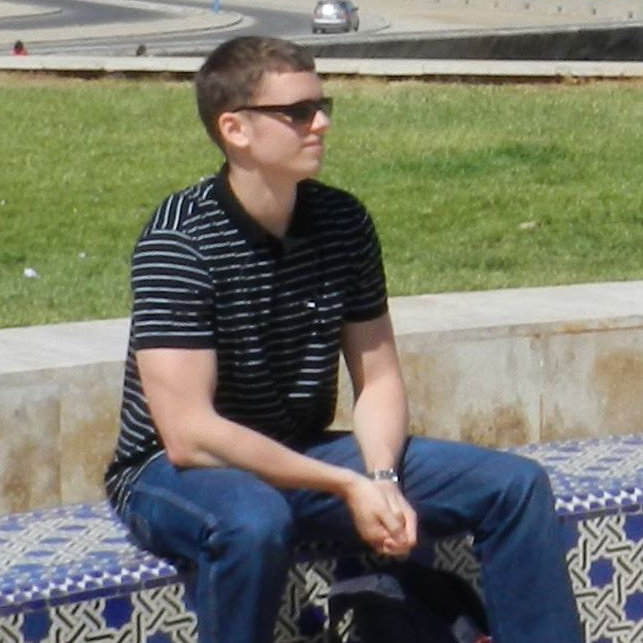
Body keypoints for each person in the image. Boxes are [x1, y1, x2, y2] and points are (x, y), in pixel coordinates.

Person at [105, 36, 583, 643]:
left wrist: (380, 478)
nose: (322, 124)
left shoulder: (343, 221)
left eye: (322, 106)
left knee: (514, 487)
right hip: (174, 474)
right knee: (252, 522)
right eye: (298, 112)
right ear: (235, 129)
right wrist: (346, 483)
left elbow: (379, 378)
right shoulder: (179, 241)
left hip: (300, 453)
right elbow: (190, 434)